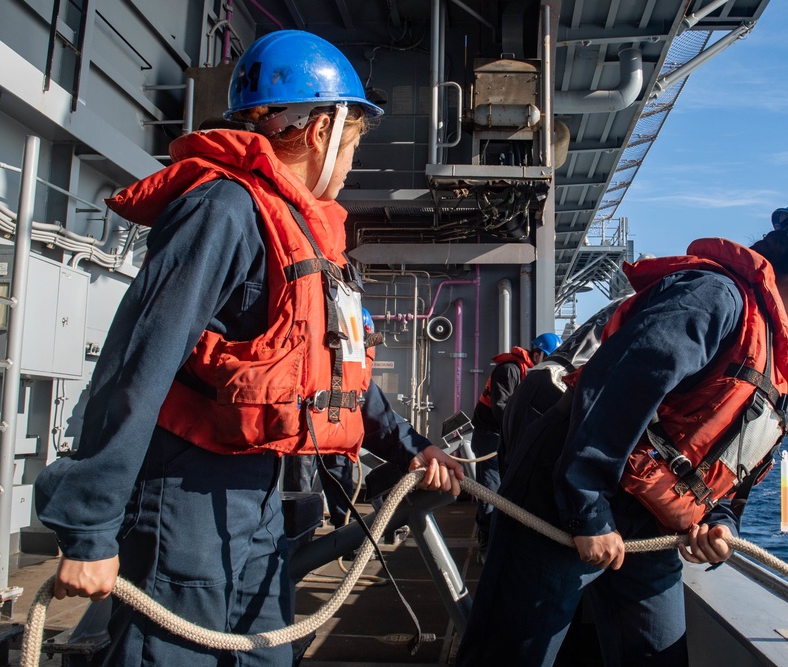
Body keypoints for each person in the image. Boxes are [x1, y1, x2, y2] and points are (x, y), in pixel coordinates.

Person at [34, 30, 463, 667]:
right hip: (189, 498)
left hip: (262, 505)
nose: (348, 168)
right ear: (322, 131)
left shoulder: (304, 234)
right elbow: (138, 361)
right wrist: (90, 525)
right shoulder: (223, 210)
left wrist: (410, 446)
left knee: (266, 654)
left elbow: (335, 373)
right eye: (349, 148)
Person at [456, 192, 788, 666]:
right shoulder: (715, 299)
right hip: (564, 500)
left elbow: (727, 460)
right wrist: (586, 510)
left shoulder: (775, 368)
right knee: (509, 654)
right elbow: (618, 385)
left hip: (651, 522)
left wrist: (719, 522)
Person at [283, 308, 379, 529]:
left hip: (330, 417)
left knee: (332, 480)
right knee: (302, 484)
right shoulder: (352, 317)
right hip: (309, 417)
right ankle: (302, 535)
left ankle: (338, 532)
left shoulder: (355, 317)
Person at [470, 333, 562, 561]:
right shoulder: (509, 370)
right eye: (547, 358)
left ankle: (501, 538)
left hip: (505, 436)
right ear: (537, 353)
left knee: (507, 487)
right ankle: (486, 541)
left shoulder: (530, 372)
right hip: (490, 437)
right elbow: (501, 408)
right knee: (490, 489)